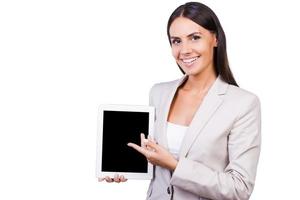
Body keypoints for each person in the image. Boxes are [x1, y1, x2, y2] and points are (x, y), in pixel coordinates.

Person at [100, 2, 261, 200]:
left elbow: (240, 188)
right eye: (176, 41)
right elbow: (154, 159)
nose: (184, 50)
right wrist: (121, 166)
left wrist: (175, 166)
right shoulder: (158, 93)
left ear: (216, 39)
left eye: (194, 38)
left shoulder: (243, 104)